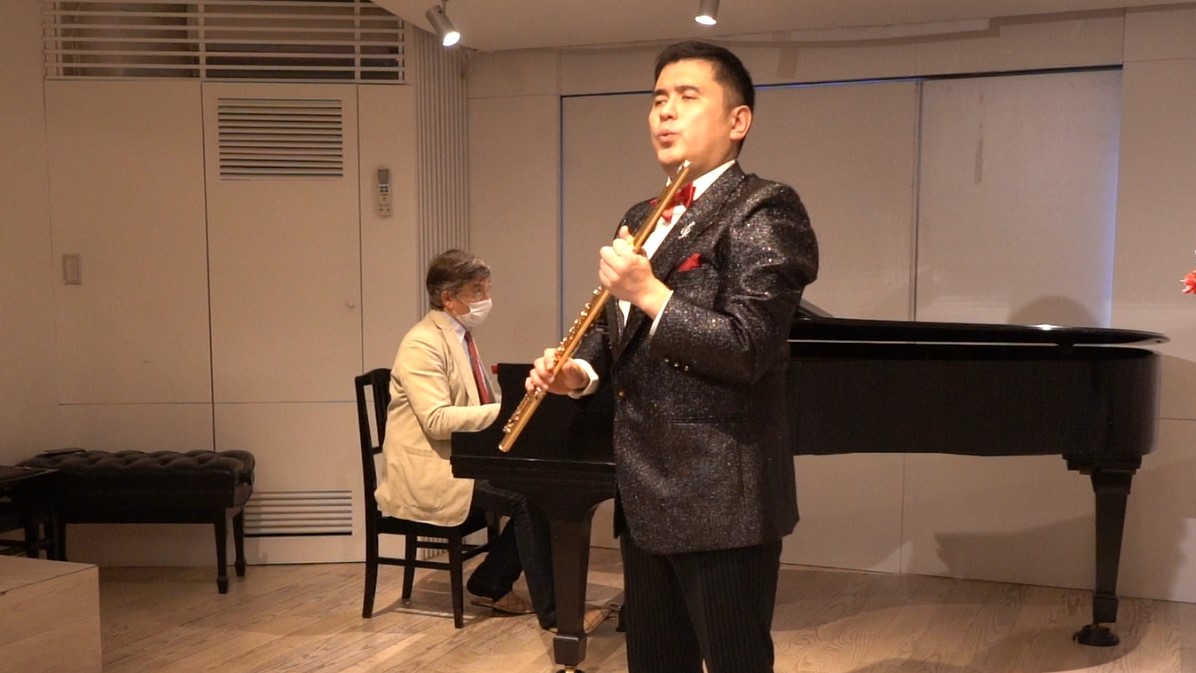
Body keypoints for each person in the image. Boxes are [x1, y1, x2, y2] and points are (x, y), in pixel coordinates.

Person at [529, 41, 818, 673]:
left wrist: (651, 293)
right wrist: (579, 371)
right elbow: (616, 330)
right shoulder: (641, 214)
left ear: (738, 121)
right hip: (645, 490)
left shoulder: (764, 207)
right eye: (658, 98)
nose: (665, 111)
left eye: (687, 97)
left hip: (723, 497)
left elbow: (749, 346)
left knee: (736, 662)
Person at [374, 249, 559, 628]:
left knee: (543, 489)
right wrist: (507, 412)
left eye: (487, 288)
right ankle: (554, 614)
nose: (486, 298)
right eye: (477, 290)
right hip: (431, 469)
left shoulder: (461, 337)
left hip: (460, 460)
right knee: (528, 500)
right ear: (448, 298)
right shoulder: (422, 343)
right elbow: (437, 420)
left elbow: (477, 403)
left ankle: (490, 582)